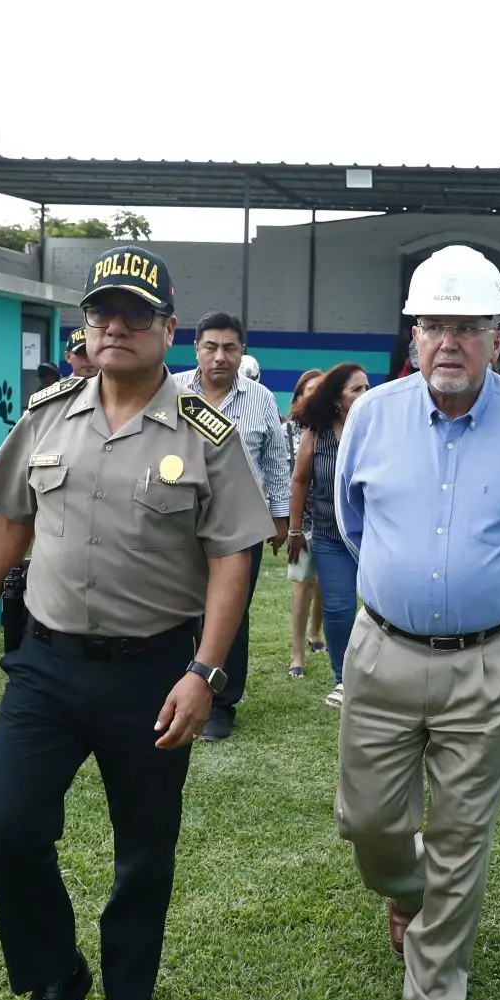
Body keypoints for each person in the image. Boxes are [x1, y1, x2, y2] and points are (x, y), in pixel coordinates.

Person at [0, 244, 273, 1000]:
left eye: (136, 313)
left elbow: (234, 552)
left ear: (170, 329)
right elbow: (10, 522)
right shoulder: (49, 413)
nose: (116, 326)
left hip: (154, 672)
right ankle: (55, 978)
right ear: (84, 328)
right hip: (47, 664)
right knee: (7, 825)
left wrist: (205, 671)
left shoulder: (208, 433)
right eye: (102, 313)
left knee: (144, 847)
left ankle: (131, 993)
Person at [333, 244, 500, 1000]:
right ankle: (403, 893)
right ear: (411, 338)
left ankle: (436, 988)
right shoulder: (370, 417)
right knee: (369, 820)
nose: (450, 342)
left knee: (462, 831)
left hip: (490, 661)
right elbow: (353, 523)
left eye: (467, 327)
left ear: (497, 339)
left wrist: (490, 595)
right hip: (383, 654)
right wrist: (406, 591)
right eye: (434, 325)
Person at [172, 310, 291, 742]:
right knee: (177, 610)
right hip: (176, 523)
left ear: (242, 352)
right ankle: (173, 687)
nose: (220, 356)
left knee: (230, 616)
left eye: (230, 348)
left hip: (240, 528)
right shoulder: (171, 390)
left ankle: (220, 703)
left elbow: (277, 462)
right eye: (211, 347)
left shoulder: (260, 399)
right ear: (196, 349)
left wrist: (281, 518)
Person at [285, 363, 372, 708]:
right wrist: (294, 529)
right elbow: (300, 481)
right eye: (357, 389)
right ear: (337, 399)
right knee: (338, 608)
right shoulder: (316, 434)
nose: (366, 394)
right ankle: (344, 679)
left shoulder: (376, 429)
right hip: (330, 536)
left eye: (367, 387)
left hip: (375, 536)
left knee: (383, 608)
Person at [284, 368, 326, 678]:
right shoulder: (287, 431)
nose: (313, 395)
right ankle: (297, 653)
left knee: (325, 582)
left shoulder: (335, 429)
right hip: (302, 518)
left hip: (330, 518)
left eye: (320, 390)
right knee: (303, 582)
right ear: (299, 396)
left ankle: (315, 633)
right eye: (308, 390)